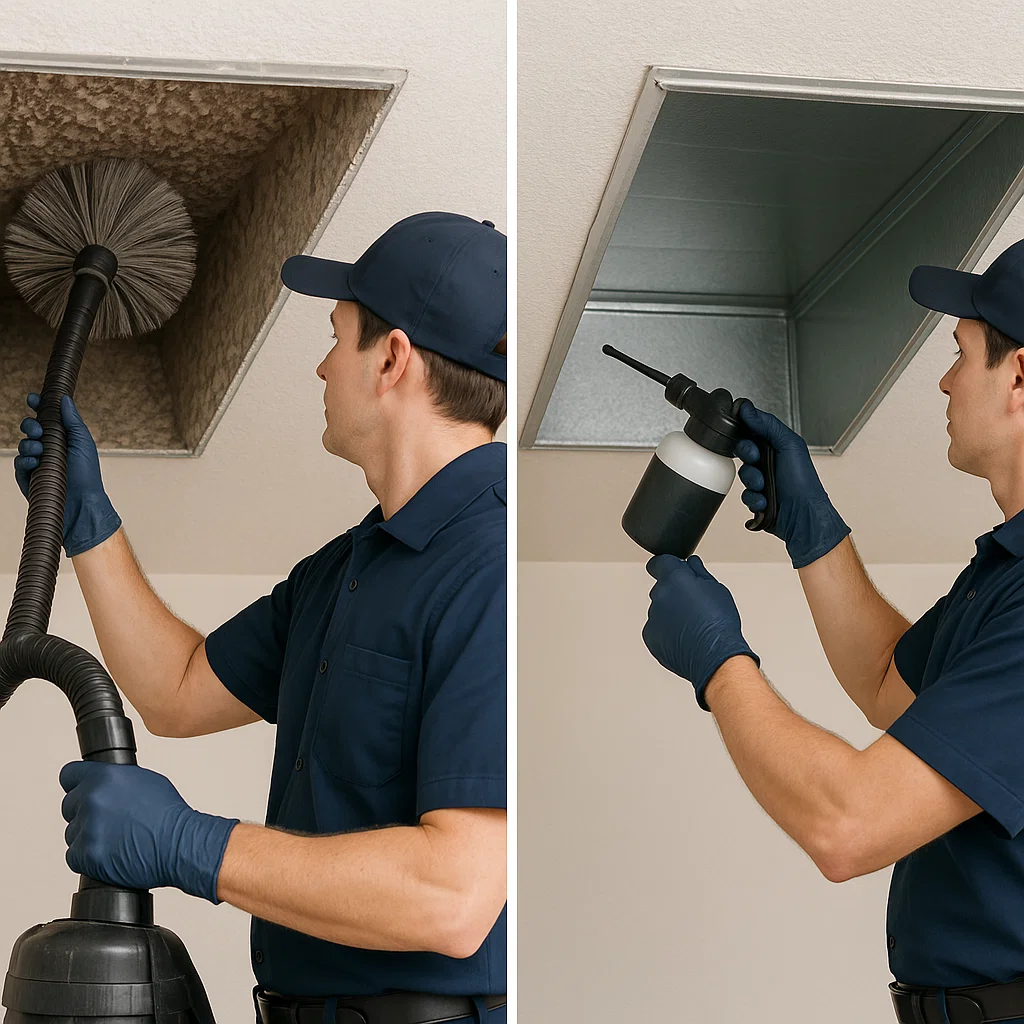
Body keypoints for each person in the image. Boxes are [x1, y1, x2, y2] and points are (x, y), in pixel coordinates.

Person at [19, 212, 508, 1024]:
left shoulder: (484, 565)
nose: (321, 367)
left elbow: (451, 899)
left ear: (391, 360)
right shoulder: (345, 570)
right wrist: (90, 526)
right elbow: (176, 692)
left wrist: (188, 843)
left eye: (336, 338)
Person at [639, 236, 1024, 1024]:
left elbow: (848, 825)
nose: (946, 383)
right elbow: (889, 683)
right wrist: (813, 532)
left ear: (1019, 377)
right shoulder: (1006, 574)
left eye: (961, 355)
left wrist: (720, 662)